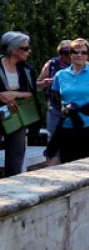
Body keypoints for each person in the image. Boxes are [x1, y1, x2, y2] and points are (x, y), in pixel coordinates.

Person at [46, 38, 89, 164]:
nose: (79, 55)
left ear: (87, 55)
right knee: (67, 162)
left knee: (87, 162)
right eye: (76, 52)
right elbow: (57, 96)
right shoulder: (60, 75)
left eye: (83, 52)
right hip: (67, 124)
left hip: (88, 124)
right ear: (70, 54)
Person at [0, 31, 39, 177]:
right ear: (13, 49)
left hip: (17, 116)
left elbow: (32, 93)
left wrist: (15, 95)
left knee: (16, 154)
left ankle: (13, 184)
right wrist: (3, 96)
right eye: (25, 48)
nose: (29, 51)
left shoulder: (27, 69)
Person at [36, 39, 72, 139]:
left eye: (70, 52)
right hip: (55, 106)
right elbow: (37, 86)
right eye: (63, 52)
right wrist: (45, 82)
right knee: (53, 137)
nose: (67, 56)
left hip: (75, 105)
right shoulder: (52, 64)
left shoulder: (81, 63)